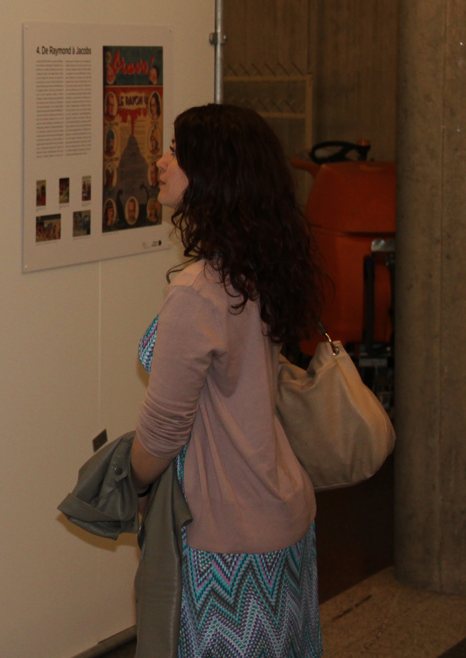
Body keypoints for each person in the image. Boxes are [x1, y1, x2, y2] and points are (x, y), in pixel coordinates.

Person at [131, 103, 322, 658]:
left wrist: (131, 484)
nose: (161, 161)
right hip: (283, 513)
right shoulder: (261, 269)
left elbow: (164, 431)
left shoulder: (198, 291)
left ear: (212, 174)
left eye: (176, 152)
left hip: (225, 539)